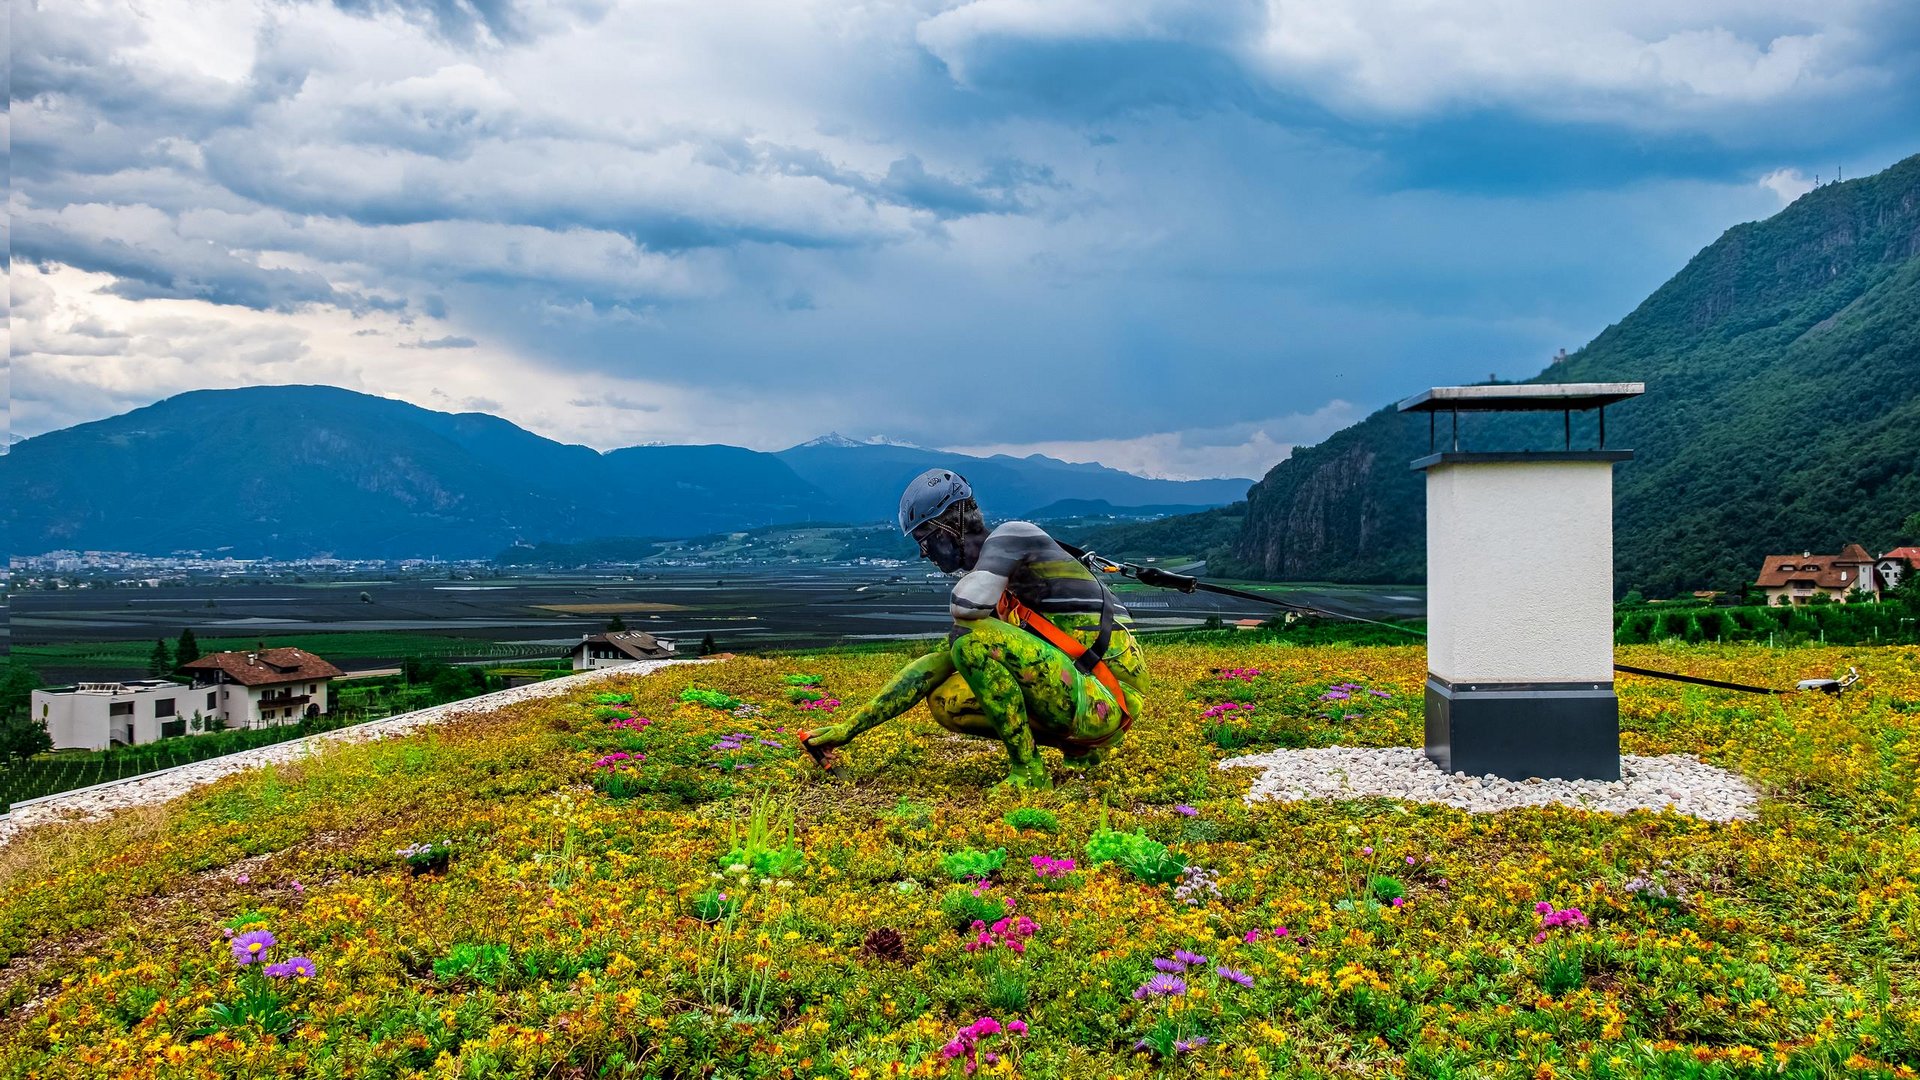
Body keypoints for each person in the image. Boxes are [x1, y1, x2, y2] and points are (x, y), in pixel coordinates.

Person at [798, 469, 1149, 789]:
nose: (924, 553)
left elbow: (964, 608)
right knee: (944, 699)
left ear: (955, 523)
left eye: (926, 537)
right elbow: (932, 665)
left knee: (970, 640)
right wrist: (850, 728)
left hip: (1110, 699)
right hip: (1088, 701)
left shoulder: (1014, 536)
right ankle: (1079, 751)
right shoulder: (1000, 582)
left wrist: (975, 591)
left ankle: (1028, 772)